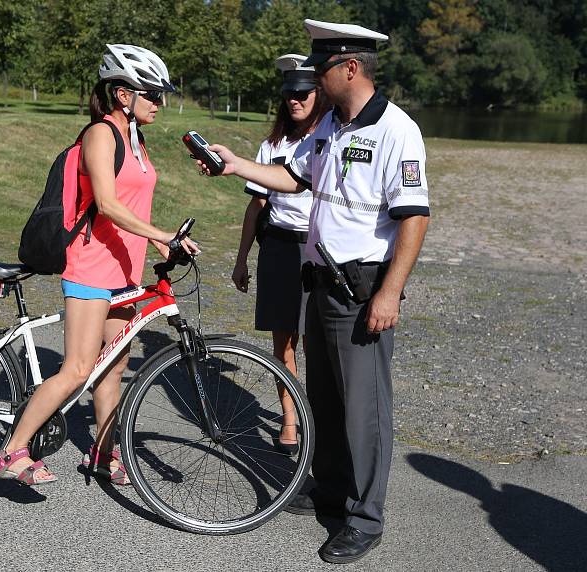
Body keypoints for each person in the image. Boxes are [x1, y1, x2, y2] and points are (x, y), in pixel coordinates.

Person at [196, 20, 430, 564]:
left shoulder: (397, 130)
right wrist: (235, 166)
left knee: (363, 409)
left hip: (364, 286)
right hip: (320, 282)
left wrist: (390, 293)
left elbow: (415, 218)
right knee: (324, 400)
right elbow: (294, 178)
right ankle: (326, 488)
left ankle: (365, 518)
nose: (315, 79)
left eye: (322, 68)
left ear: (351, 67)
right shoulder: (331, 126)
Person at [0, 44, 199, 486]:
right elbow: (106, 203)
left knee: (113, 368)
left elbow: (132, 202)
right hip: (90, 267)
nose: (160, 103)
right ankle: (12, 451)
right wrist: (160, 233)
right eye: (152, 94)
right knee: (78, 368)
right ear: (124, 95)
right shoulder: (101, 134)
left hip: (124, 271)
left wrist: (159, 244)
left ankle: (103, 455)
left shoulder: (136, 139)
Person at [231, 54, 327, 455]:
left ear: (318, 94)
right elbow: (257, 206)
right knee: (282, 342)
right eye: (289, 93)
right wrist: (241, 259)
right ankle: (289, 421)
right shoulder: (272, 145)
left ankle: (318, 421)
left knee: (316, 344)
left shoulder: (329, 137)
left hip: (319, 248)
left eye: (303, 93)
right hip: (280, 248)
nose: (295, 100)